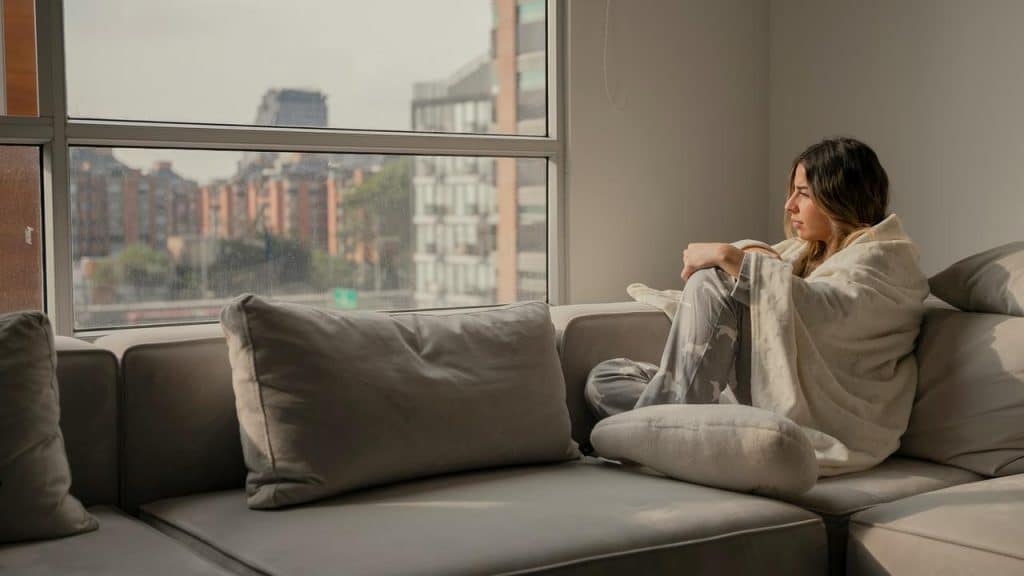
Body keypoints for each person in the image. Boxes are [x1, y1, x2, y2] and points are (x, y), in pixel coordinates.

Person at [585, 137, 930, 476]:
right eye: (792, 191)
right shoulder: (803, 253)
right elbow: (772, 277)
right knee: (606, 377)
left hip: (818, 419)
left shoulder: (884, 260)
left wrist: (727, 256)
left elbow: (825, 309)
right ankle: (671, 430)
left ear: (840, 196)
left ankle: (660, 430)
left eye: (804, 193)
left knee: (714, 281)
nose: (790, 204)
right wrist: (749, 258)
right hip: (743, 400)